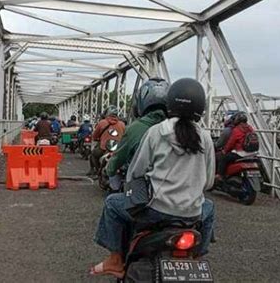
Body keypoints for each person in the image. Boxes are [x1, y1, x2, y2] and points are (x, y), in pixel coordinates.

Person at [90, 78, 215, 278]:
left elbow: (135, 173)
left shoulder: (157, 132)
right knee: (209, 207)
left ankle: (114, 259)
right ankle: (197, 256)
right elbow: (208, 182)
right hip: (191, 214)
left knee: (112, 203)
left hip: (155, 211)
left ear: (170, 103)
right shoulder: (205, 137)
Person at [105, 78, 169, 190]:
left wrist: (109, 169)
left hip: (141, 190)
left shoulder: (134, 128)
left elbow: (117, 160)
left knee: (111, 201)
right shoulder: (181, 128)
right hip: (174, 191)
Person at [88, 106, 125, 176]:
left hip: (104, 148)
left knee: (93, 154)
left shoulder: (102, 122)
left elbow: (95, 136)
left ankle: (98, 170)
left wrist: (97, 138)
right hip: (118, 148)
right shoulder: (122, 124)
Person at [216, 111, 255, 178]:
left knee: (223, 158)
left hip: (240, 153)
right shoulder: (250, 128)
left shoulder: (237, 129)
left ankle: (219, 175)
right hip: (251, 153)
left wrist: (224, 151)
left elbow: (231, 143)